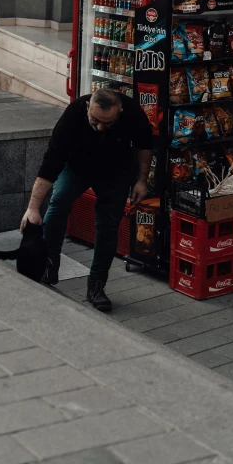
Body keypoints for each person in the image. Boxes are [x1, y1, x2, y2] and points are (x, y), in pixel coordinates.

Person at [21, 88, 153, 312]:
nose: (100, 127)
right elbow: (51, 161)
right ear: (88, 108)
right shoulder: (74, 113)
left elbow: (145, 146)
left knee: (108, 225)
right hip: (76, 168)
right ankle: (50, 263)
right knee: (58, 203)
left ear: (119, 112)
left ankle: (96, 285)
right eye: (95, 120)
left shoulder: (132, 111)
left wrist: (142, 180)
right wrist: (33, 208)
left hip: (116, 172)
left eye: (107, 123)